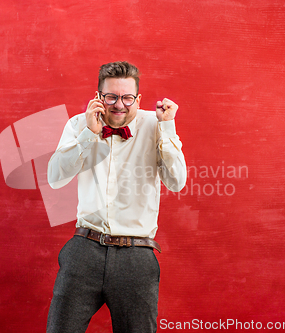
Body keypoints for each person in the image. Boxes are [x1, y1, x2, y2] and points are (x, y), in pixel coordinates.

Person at [46, 61, 187, 333]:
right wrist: (89, 135)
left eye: (127, 97)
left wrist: (167, 128)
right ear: (99, 97)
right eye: (111, 97)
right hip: (84, 249)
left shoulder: (156, 125)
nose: (119, 105)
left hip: (136, 256)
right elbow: (55, 178)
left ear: (138, 98)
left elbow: (177, 182)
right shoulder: (78, 124)